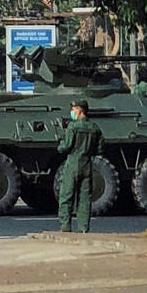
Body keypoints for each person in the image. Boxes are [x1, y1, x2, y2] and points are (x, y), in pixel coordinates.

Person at [56, 99, 105, 233]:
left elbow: (66, 146)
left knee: (66, 195)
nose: (72, 112)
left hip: (73, 162)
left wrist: (59, 146)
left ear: (79, 110)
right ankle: (83, 228)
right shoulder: (95, 128)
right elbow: (100, 148)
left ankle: (65, 226)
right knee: (85, 198)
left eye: (74, 109)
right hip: (87, 164)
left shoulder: (73, 126)